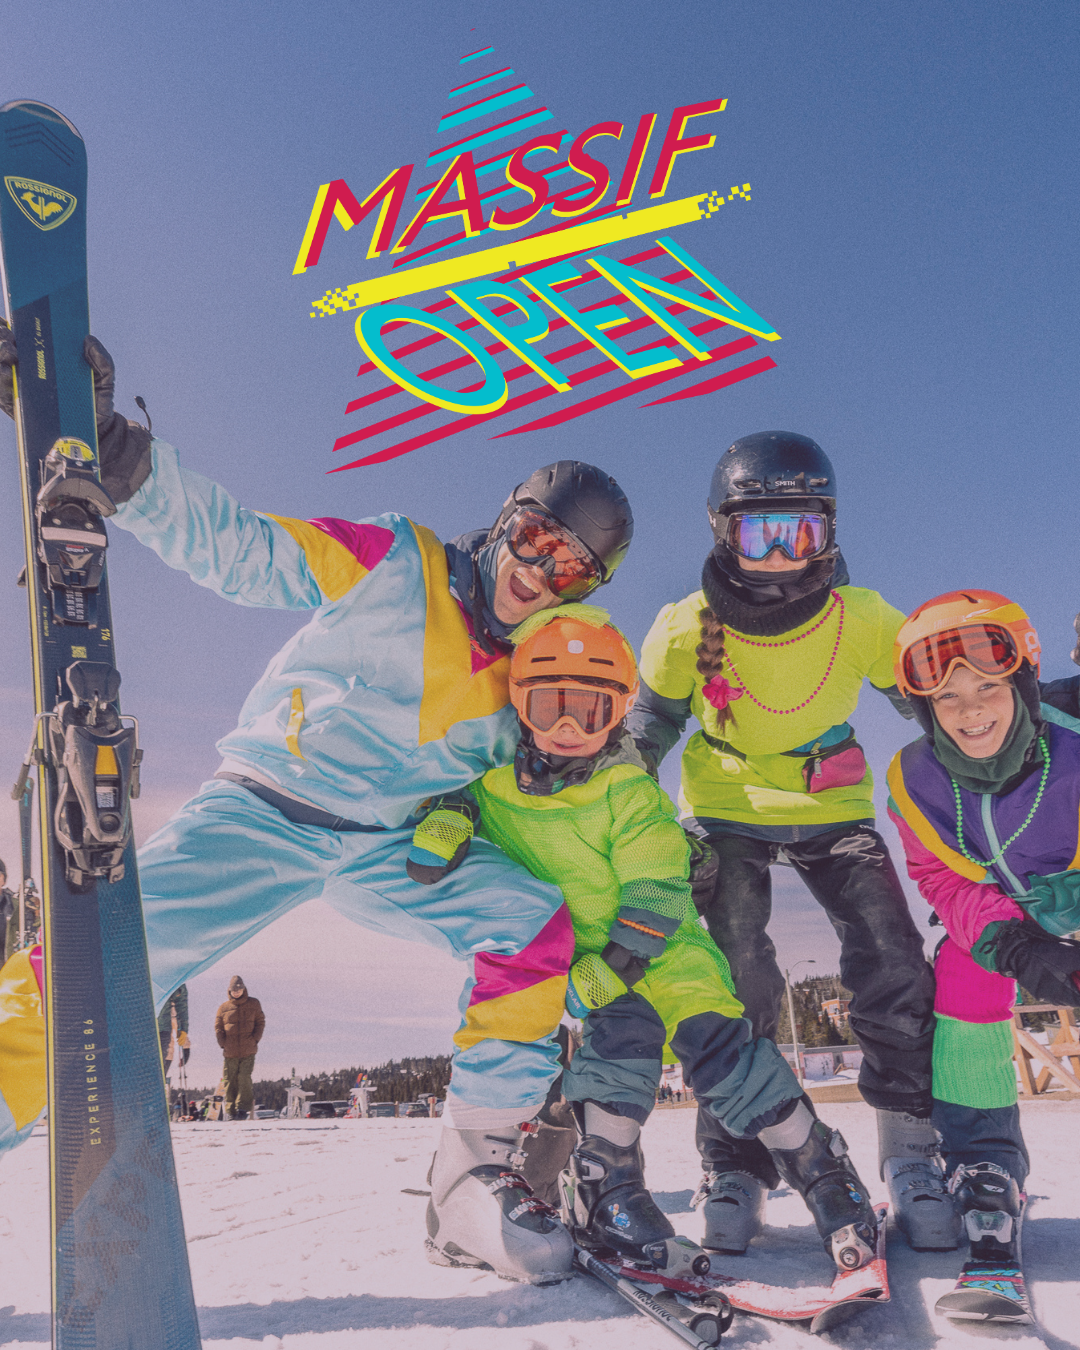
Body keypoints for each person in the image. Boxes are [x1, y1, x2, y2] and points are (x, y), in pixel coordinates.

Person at [0, 323, 633, 1283]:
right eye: (537, 537)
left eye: (571, 568)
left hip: (390, 849)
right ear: (507, 517)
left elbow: (543, 780)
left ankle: (471, 1186)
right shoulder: (394, 561)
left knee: (528, 925)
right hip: (267, 809)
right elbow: (248, 551)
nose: (539, 571)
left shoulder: (536, 676)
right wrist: (127, 465)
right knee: (100, 962)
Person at [410, 608, 881, 1273]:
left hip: (661, 952)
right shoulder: (492, 786)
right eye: (551, 708)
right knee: (620, 1046)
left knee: (722, 1055)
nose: (569, 730)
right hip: (587, 957)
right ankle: (609, 1184)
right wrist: (449, 818)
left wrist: (607, 974)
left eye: (592, 711)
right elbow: (458, 801)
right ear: (520, 706)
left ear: (618, 715)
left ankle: (823, 1169)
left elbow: (657, 893)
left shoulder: (627, 790)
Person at [626, 431, 945, 1252]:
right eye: (759, 533)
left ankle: (909, 1148)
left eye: (797, 534)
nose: (778, 557)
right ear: (720, 531)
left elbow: (944, 698)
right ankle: (734, 1158)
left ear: (828, 533)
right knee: (732, 964)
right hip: (726, 803)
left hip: (830, 801)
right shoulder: (685, 626)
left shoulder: (864, 616)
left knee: (891, 948)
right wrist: (595, 804)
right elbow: (649, 728)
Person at [887, 590, 1080, 1275]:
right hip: (1011, 914)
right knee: (964, 972)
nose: (969, 710)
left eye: (988, 687)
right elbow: (942, 881)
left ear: (1024, 681)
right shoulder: (915, 780)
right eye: (945, 697)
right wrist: (1016, 945)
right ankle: (984, 1162)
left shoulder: (1072, 739)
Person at [214, 975, 265, 1120]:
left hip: (248, 1049)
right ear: (229, 991)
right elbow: (218, 1027)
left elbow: (260, 1022)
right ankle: (230, 1111)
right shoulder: (223, 1008)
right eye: (233, 990)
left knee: (243, 1078)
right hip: (230, 1051)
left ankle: (242, 1109)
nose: (236, 992)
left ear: (244, 989)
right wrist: (222, 1043)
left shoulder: (254, 1003)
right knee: (229, 1080)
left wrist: (255, 1039)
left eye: (239, 989)